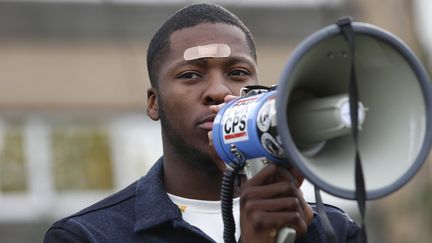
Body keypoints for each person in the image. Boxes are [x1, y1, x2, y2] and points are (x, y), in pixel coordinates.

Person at [44, 3, 359, 243]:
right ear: (154, 103)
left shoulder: (336, 230)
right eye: (190, 75)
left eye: (237, 73)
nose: (219, 92)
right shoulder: (88, 235)